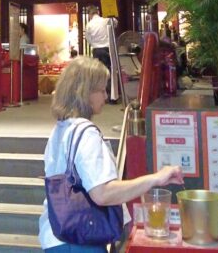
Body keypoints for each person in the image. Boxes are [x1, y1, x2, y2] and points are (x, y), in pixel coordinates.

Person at [39, 57, 184, 251]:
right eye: (101, 90)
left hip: (57, 234)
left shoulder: (60, 130)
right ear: (85, 92)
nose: (106, 96)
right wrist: (155, 179)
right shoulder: (86, 133)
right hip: (80, 241)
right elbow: (102, 193)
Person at [84, 8, 117, 103]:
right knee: (110, 72)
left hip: (97, 50)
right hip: (107, 49)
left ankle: (100, 96)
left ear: (90, 15)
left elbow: (88, 39)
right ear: (98, 12)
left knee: (98, 73)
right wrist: (111, 14)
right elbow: (115, 22)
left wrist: (94, 44)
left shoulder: (89, 24)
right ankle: (112, 97)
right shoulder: (106, 21)